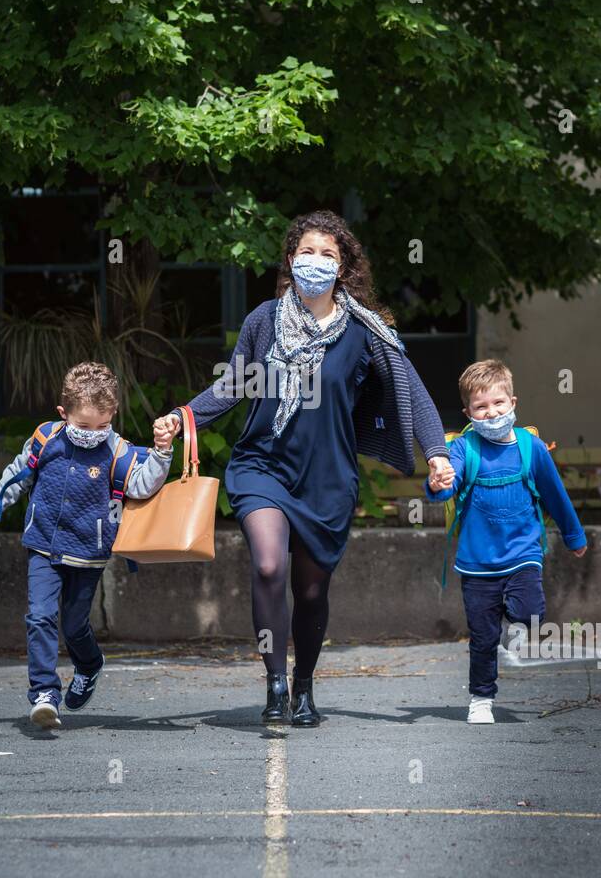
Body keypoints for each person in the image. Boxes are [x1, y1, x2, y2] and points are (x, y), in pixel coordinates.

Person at [154, 211, 454, 728]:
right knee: (270, 565)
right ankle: (274, 681)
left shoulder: (365, 332)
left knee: (312, 590)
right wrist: (183, 418)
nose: (315, 262)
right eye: (307, 252)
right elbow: (234, 385)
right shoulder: (263, 321)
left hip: (328, 480)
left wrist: (438, 453)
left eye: (328, 255)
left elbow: (414, 392)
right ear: (291, 259)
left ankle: (305, 683)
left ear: (343, 269)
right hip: (261, 466)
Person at [0, 361, 174, 729]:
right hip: (44, 545)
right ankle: (45, 693)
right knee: (40, 616)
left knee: (75, 626)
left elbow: (143, 485)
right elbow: (18, 472)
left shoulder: (119, 450)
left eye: (102, 424)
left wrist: (161, 454)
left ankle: (89, 663)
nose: (92, 433)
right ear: (63, 413)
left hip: (89, 553)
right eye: (83, 425)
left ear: (112, 414)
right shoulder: (46, 438)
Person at [426, 358, 587, 724]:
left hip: (524, 554)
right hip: (477, 563)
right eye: (481, 407)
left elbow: (555, 495)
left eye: (498, 404)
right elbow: (446, 484)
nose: (491, 412)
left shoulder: (531, 448)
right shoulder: (464, 448)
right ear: (468, 412)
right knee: (482, 639)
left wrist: (574, 536)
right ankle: (481, 700)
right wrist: (437, 484)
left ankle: (513, 619)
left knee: (530, 615)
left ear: (513, 404)